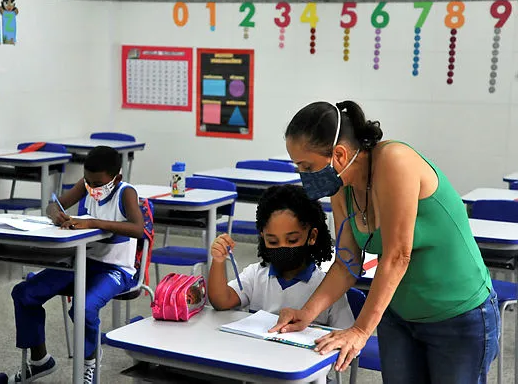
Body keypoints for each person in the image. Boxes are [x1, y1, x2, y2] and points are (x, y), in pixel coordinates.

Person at [270, 100, 499, 383]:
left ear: (339, 154)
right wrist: (307, 313)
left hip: (457, 314)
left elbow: (397, 255)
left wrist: (360, 331)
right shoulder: (342, 187)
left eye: (307, 166)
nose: (303, 175)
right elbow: (347, 262)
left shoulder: (394, 161)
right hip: (399, 312)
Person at [9, 146, 144, 383]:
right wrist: (56, 215)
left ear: (117, 178)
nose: (92, 188)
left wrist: (93, 222)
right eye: (88, 182)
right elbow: (54, 205)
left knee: (84, 308)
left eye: (98, 183)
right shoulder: (88, 185)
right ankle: (40, 361)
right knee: (24, 292)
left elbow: (137, 228)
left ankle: (89, 361)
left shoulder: (126, 192)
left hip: (116, 269)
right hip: (82, 261)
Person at [208, 184, 354, 327]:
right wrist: (218, 261)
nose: (282, 247)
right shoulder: (255, 276)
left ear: (312, 236)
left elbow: (343, 335)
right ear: (262, 237)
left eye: (292, 240)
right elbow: (221, 302)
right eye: (272, 241)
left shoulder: (329, 287)